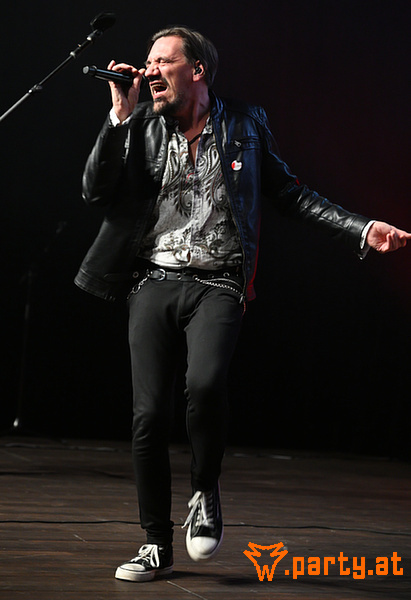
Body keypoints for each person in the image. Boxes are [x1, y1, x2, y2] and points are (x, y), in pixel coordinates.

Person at [75, 26, 410, 583]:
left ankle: (204, 491)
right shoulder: (140, 123)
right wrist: (119, 116)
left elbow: (290, 194)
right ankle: (155, 543)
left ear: (196, 70)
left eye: (162, 61)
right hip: (154, 279)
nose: (149, 69)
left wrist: (362, 227)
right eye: (147, 61)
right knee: (148, 415)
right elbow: (95, 190)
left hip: (220, 281)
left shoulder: (245, 124)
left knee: (204, 385)